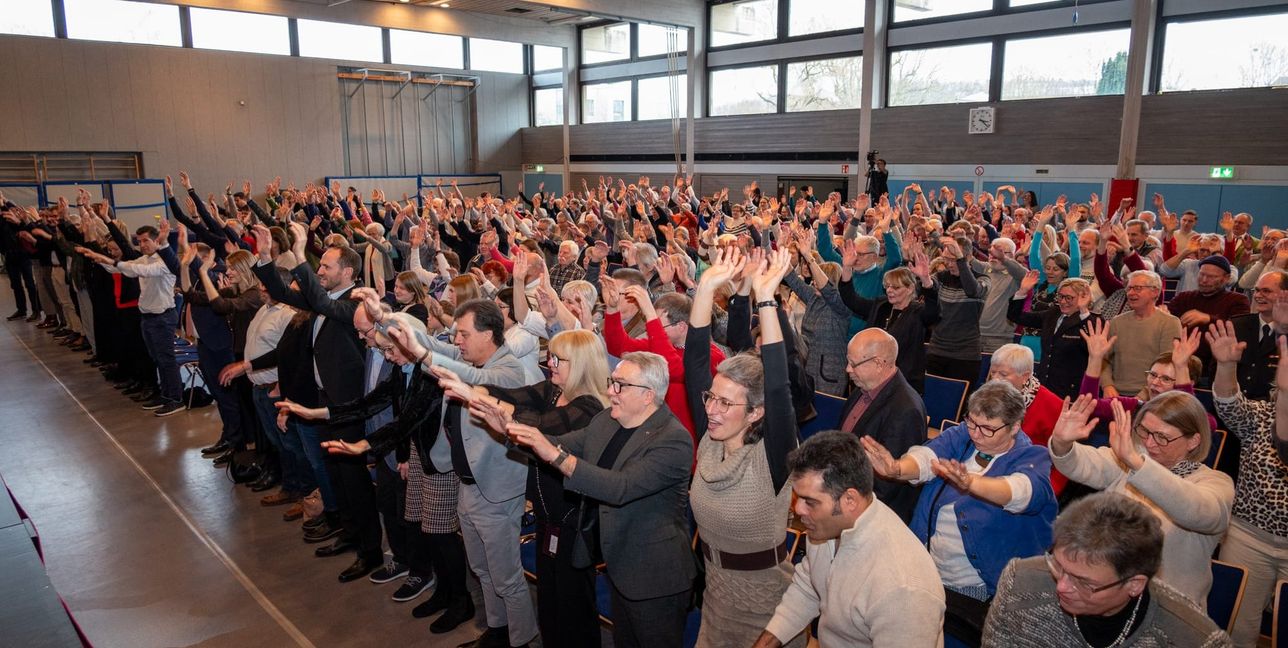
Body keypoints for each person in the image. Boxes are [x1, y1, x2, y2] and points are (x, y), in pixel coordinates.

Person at [506, 352, 695, 648]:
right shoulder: (607, 420)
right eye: (612, 382)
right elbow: (558, 444)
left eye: (620, 385)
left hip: (654, 575)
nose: (610, 391)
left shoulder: (672, 439)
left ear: (648, 396)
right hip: (619, 562)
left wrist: (555, 454)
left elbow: (620, 487)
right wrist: (509, 428)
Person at [435, 329, 609, 648]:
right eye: (550, 356)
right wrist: (472, 390)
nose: (549, 362)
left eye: (558, 359)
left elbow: (542, 428)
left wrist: (499, 415)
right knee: (550, 600)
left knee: (574, 606)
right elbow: (514, 396)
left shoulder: (589, 408)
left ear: (582, 364)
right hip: (547, 515)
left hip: (574, 522)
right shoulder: (554, 390)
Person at [388, 299, 539, 648]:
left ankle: (520, 640)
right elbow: (436, 345)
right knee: (482, 569)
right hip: (468, 485)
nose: (457, 341)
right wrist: (387, 320)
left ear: (488, 334)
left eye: (465, 335)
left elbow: (474, 379)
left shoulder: (508, 370)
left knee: (506, 577)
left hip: (496, 491)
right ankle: (497, 631)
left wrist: (427, 359)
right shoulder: (469, 357)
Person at [861, 380, 1057, 643]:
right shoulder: (963, 436)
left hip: (974, 585)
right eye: (972, 422)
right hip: (929, 566)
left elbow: (1021, 492)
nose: (976, 433)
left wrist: (971, 483)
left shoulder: (1032, 456)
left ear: (1015, 427)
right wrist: (897, 468)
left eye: (988, 428)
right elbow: (927, 458)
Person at [683, 248, 803, 648]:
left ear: (755, 413)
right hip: (715, 594)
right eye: (710, 399)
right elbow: (695, 360)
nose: (712, 410)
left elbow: (779, 384)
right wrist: (705, 287)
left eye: (725, 403)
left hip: (767, 604)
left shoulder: (773, 456)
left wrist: (765, 297)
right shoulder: (710, 438)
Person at [251, 229, 383, 584]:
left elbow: (324, 306)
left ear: (348, 272)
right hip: (326, 401)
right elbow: (281, 292)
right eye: (319, 265)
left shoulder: (354, 304)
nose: (320, 271)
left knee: (354, 480)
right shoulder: (322, 298)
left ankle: (370, 551)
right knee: (337, 475)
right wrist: (265, 257)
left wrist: (298, 252)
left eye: (326, 266)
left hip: (349, 405)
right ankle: (349, 533)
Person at [753, 431, 944, 648]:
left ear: (849, 500)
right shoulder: (827, 528)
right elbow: (809, 587)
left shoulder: (904, 588)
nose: (797, 509)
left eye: (810, 502)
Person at [1050, 391, 1233, 607]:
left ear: (1193, 441)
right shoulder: (1129, 461)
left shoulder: (1216, 482)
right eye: (1144, 431)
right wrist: (1062, 443)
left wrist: (1137, 463)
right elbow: (1082, 463)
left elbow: (1198, 511)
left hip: (1170, 610)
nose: (1149, 442)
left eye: (1162, 437)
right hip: (1110, 600)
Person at [982, 492, 1232, 647]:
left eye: (1083, 582)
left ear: (1134, 584)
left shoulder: (1194, 640)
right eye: (1057, 565)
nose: (1061, 586)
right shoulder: (1020, 583)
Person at [1208, 320, 1288, 647]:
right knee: (1235, 626)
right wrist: (1227, 365)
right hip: (1248, 535)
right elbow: (1228, 404)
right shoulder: (1263, 416)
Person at [77, 223, 184, 416]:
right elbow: (122, 270)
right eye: (139, 241)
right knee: (156, 358)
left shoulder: (164, 261)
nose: (142, 245)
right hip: (148, 317)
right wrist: (99, 258)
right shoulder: (144, 259)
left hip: (163, 317)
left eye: (146, 241)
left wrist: (110, 260)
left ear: (156, 240)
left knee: (166, 360)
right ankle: (166, 394)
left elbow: (140, 271)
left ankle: (176, 398)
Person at [839, 327, 928, 522]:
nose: (847, 369)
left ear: (879, 363)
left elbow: (886, 486)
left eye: (853, 364)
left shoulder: (905, 410)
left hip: (872, 516)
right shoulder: (863, 388)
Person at [837, 247, 939, 392]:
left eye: (895, 287)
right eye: (887, 286)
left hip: (902, 383)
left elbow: (933, 310)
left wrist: (925, 280)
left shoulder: (917, 312)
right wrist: (847, 267)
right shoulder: (881, 305)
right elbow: (851, 300)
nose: (890, 290)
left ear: (910, 288)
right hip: (870, 380)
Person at [1008, 274, 1100, 398]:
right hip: (1045, 385)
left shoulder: (1092, 320)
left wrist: (1083, 310)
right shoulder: (1053, 314)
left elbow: (1094, 347)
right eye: (1060, 296)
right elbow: (1016, 316)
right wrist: (1023, 291)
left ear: (1084, 297)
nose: (1063, 301)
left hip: (1070, 391)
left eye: (1069, 298)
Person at [1099, 270, 1182, 398]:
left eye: (1137, 288)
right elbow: (1103, 360)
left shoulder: (1170, 323)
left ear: (1155, 292)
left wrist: (1141, 397)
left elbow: (1168, 366)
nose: (1131, 293)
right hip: (1114, 395)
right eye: (1129, 288)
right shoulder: (1117, 322)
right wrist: (1107, 386)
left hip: (1152, 397)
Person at [1166, 255, 1249, 379]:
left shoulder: (1238, 300)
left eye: (1211, 277)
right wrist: (1162, 314)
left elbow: (1240, 329)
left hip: (1215, 371)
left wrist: (1209, 319)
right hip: (1179, 365)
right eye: (1201, 274)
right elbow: (1167, 320)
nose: (1204, 280)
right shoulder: (1184, 297)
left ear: (1226, 278)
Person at [925, 236, 989, 392]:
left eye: (953, 259)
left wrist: (961, 262)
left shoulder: (983, 279)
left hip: (965, 354)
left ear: (966, 257)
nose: (948, 264)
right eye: (945, 259)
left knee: (958, 402)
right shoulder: (941, 277)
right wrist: (923, 278)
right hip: (937, 350)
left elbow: (972, 291)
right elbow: (927, 291)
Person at [1229, 269, 1285, 400]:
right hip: (1233, 407)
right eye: (1257, 290)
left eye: (1266, 291)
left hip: (1275, 411)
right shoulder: (1236, 325)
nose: (1258, 295)